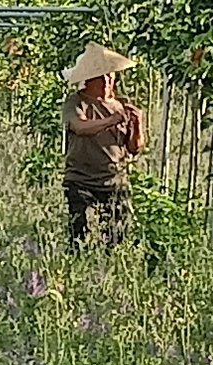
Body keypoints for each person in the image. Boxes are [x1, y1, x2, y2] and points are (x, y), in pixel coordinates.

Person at [61, 42, 148, 245]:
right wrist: (110, 121)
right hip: (81, 179)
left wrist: (138, 124)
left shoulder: (120, 106)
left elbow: (134, 148)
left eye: (110, 75)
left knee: (117, 236)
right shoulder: (76, 102)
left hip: (114, 180)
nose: (108, 80)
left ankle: (109, 267)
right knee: (79, 235)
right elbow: (80, 127)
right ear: (88, 80)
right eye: (102, 76)